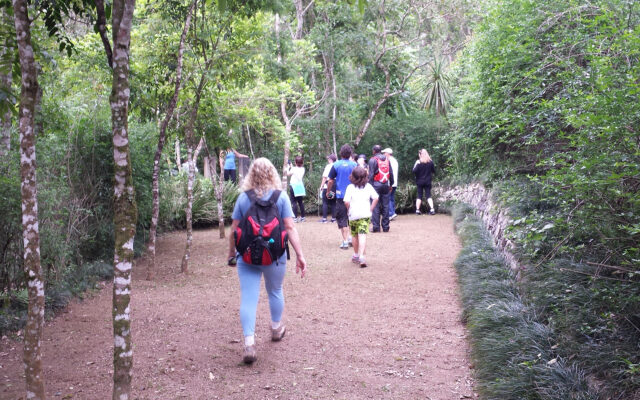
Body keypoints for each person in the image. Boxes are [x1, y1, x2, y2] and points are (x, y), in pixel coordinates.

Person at [227, 158, 307, 364]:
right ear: (272, 173)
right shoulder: (281, 197)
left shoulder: (243, 198)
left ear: (251, 174)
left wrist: (231, 254)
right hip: (275, 255)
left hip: (247, 256)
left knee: (248, 297)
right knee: (275, 291)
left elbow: (234, 229)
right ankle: (276, 328)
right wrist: (300, 255)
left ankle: (249, 343)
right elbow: (290, 227)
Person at [343, 166, 379, 268]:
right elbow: (376, 198)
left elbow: (346, 201)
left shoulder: (350, 187)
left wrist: (349, 209)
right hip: (365, 215)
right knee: (362, 235)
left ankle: (356, 255)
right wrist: (371, 209)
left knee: (354, 235)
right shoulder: (368, 186)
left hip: (353, 215)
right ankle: (362, 256)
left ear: (353, 176)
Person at [327, 144, 357, 249]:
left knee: (342, 218)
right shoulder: (355, 165)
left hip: (341, 196)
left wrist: (328, 191)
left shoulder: (336, 165)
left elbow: (330, 181)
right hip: (353, 196)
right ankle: (351, 238)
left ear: (341, 153)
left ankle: (345, 241)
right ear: (350, 154)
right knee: (352, 217)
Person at [367, 144, 394, 232]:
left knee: (375, 206)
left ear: (374, 151)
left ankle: (376, 227)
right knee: (386, 206)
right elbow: (391, 173)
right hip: (385, 184)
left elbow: (371, 175)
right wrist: (391, 184)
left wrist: (369, 186)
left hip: (376, 185)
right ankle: (386, 227)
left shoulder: (372, 160)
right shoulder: (387, 159)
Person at [413, 148, 436, 215]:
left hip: (419, 181)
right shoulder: (430, 162)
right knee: (428, 195)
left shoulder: (418, 162)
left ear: (420, 155)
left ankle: (417, 210)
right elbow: (433, 171)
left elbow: (414, 171)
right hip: (428, 181)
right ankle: (432, 209)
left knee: (419, 195)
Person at [286, 155, 306, 222]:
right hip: (300, 186)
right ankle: (303, 217)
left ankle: (295, 217)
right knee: (300, 202)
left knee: (293, 202)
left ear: (295, 162)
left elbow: (288, 174)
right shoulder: (303, 169)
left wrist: (288, 167)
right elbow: (296, 171)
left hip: (294, 186)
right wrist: (292, 166)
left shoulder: (293, 169)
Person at [318, 154, 337, 223]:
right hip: (334, 186)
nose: (328, 160)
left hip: (328, 185)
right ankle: (333, 218)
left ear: (331, 160)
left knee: (325, 202)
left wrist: (321, 186)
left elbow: (325, 177)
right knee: (333, 202)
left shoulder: (328, 166)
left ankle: (324, 219)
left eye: (329, 159)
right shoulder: (337, 166)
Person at [382, 148, 399, 220]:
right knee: (391, 198)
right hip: (394, 182)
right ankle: (393, 212)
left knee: (388, 198)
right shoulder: (394, 160)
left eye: (384, 153)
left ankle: (391, 213)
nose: (383, 154)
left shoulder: (389, 161)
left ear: (387, 153)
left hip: (390, 182)